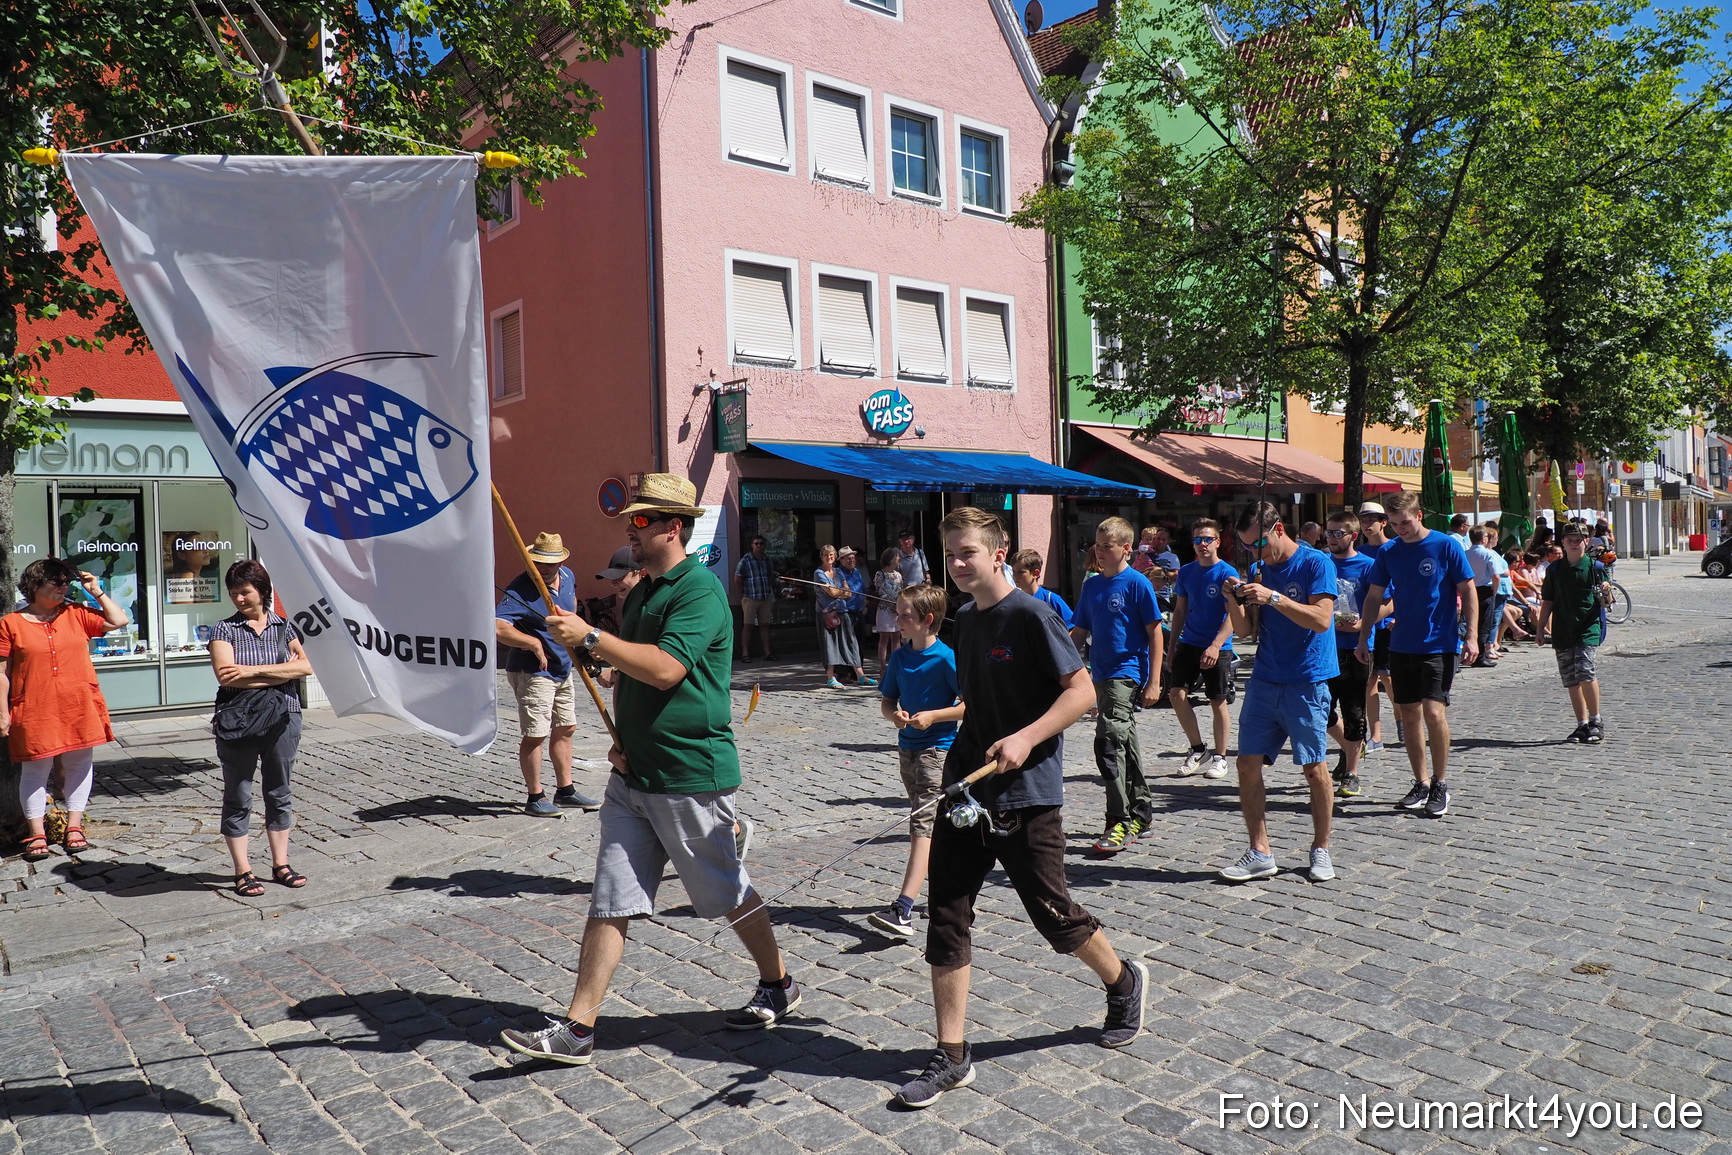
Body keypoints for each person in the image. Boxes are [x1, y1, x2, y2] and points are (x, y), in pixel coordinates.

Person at [500, 473, 799, 1065]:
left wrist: (590, 634)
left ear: (672, 527)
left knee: (726, 893)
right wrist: (595, 658)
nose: (629, 531)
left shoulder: (700, 592)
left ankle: (779, 982)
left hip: (691, 773)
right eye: (629, 521)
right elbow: (626, 673)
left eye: (640, 521)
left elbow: (665, 670)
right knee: (611, 898)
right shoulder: (640, 593)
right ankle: (578, 1027)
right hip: (632, 776)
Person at [895, 506, 1144, 1110]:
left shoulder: (1032, 616)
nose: (956, 565)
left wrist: (1029, 736)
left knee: (1055, 916)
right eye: (949, 554)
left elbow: (1082, 692)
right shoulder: (964, 621)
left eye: (967, 554)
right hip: (966, 790)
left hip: (1027, 796)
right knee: (947, 916)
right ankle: (951, 1055)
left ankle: (1122, 978)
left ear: (998, 553)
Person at [1216, 502, 1341, 884]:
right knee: (1245, 765)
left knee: (1313, 768)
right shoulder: (1257, 569)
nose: (1256, 554)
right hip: (1265, 680)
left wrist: (1273, 597)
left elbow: (1321, 620)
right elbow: (1246, 632)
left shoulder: (1317, 563)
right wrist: (1232, 599)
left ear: (1279, 529)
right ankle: (1260, 851)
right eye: (1248, 547)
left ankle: (1321, 849)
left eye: (1259, 544)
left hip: (1307, 680)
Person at [1354, 491, 1477, 819]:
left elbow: (1468, 589)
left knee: (1434, 713)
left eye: (1404, 522)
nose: (1399, 529)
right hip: (1401, 644)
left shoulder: (1445, 545)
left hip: (1439, 643)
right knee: (1408, 714)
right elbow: (1373, 597)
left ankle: (1440, 783)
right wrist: (1363, 637)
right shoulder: (1388, 552)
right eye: (1393, 524)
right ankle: (1420, 782)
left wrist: (1474, 637)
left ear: (1419, 515)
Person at [0, 558, 129, 862]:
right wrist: (2, 711)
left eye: (65, 581)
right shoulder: (10, 624)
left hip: (78, 703)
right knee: (34, 770)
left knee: (79, 765)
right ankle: (36, 833)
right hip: (34, 706)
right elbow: (2, 672)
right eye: (56, 581)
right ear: (34, 585)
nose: (63, 586)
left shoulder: (76, 614)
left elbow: (119, 620)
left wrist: (95, 591)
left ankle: (74, 826)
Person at [208, 559, 314, 895]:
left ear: (263, 592)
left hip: (284, 718)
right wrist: (283, 670)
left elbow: (307, 668)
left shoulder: (286, 627)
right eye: (234, 593)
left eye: (245, 592)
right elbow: (226, 675)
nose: (239, 599)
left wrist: (251, 672)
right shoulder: (223, 630)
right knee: (238, 794)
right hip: (238, 721)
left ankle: (280, 863)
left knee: (279, 791)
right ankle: (243, 870)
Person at [870, 584, 963, 937]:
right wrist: (894, 716)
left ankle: (903, 909)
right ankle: (951, 888)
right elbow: (886, 701)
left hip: (937, 752)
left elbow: (969, 705)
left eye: (904, 615)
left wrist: (935, 717)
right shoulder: (899, 657)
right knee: (933, 826)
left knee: (921, 826)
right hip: (906, 749)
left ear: (926, 620)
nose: (897, 620)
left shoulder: (946, 658)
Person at [1069, 516, 1163, 854]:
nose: (1100, 551)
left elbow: (1155, 632)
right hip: (1099, 674)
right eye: (1097, 545)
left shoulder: (1137, 583)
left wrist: (1154, 680)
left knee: (1108, 742)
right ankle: (1141, 811)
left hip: (1126, 673)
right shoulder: (1092, 585)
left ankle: (1118, 820)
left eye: (1107, 546)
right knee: (1125, 742)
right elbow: (1078, 632)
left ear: (1127, 549)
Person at [495, 532, 602, 817]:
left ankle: (565, 791)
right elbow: (498, 626)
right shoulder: (520, 589)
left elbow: (572, 607)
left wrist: (578, 641)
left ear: (561, 561)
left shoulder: (566, 576)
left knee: (566, 727)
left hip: (562, 665)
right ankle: (535, 797)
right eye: (537, 561)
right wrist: (533, 643)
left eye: (549, 562)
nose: (542, 567)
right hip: (533, 671)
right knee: (536, 734)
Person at [1166, 518, 1236, 780]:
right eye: (1197, 539)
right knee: (1176, 694)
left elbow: (1233, 616)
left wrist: (1216, 646)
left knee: (1217, 700)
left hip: (1218, 645)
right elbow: (1180, 610)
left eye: (1207, 539)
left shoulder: (1226, 573)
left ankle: (1220, 757)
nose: (1202, 544)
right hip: (1190, 642)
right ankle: (1198, 749)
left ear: (1217, 542)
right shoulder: (1186, 572)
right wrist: (1172, 647)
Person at [1539, 522, 1610, 743]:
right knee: (1570, 678)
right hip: (1562, 629)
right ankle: (1581, 724)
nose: (1574, 544)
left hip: (1587, 628)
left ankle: (1596, 721)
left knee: (1585, 671)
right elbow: (1548, 600)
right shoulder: (1554, 569)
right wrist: (1541, 628)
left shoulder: (1595, 567)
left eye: (1578, 540)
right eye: (1569, 540)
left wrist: (1607, 591)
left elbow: (1607, 603)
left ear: (1586, 542)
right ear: (1563, 542)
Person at [1324, 513, 1378, 798]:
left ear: (1353, 535)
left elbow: (1388, 603)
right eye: (1329, 533)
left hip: (1357, 648)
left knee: (1354, 710)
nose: (1332, 538)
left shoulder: (1368, 566)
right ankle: (1349, 746)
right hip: (1324, 648)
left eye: (1338, 533)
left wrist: (1363, 625)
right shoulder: (1321, 564)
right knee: (1320, 710)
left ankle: (1352, 773)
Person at [1356, 502, 1394, 754]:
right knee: (1369, 680)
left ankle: (1403, 718)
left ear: (1383, 522)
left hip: (1390, 624)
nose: (1367, 524)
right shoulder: (1358, 552)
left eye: (1372, 519)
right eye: (1363, 520)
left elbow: (1403, 589)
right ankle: (1376, 735)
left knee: (1388, 677)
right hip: (1363, 627)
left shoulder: (1394, 548)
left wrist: (1398, 616)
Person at [814, 544, 868, 689]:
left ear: (835, 557)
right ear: (822, 557)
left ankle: (860, 675)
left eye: (831, 555)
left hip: (841, 611)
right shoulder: (818, 573)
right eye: (826, 555)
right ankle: (831, 677)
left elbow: (848, 592)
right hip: (827, 614)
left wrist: (838, 592)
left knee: (851, 642)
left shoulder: (838, 572)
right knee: (830, 644)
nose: (829, 558)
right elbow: (832, 593)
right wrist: (840, 592)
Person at [594, 547, 646, 688]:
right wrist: (608, 653)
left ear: (641, 574)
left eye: (620, 577)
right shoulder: (632, 603)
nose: (613, 583)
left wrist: (616, 671)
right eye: (611, 578)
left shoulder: (648, 606)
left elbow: (651, 655)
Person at [733, 534, 777, 663]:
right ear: (752, 545)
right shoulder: (745, 560)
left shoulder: (767, 560)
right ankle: (745, 654)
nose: (759, 546)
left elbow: (770, 576)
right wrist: (745, 591)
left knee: (765, 625)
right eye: (756, 543)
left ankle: (767, 652)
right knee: (748, 625)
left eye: (761, 543)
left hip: (765, 596)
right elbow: (737, 579)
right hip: (750, 597)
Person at [1464, 526, 1501, 668]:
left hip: (1469, 589)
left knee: (1470, 621)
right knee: (1484, 623)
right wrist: (1495, 591)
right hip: (1485, 590)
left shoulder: (1465, 553)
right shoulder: (1488, 554)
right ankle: (1479, 656)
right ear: (1484, 538)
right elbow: (1496, 576)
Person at [1009, 549, 1073, 628]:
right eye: (1013, 571)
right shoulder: (1014, 601)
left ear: (1036, 573)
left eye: (1021, 572)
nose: (1015, 576)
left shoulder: (1051, 599)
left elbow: (1072, 628)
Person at [873, 548, 906, 671]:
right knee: (884, 638)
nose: (899, 559)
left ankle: (895, 664)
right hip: (884, 609)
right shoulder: (880, 574)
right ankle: (882, 666)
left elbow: (901, 591)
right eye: (897, 556)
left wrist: (899, 606)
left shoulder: (898, 575)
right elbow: (880, 591)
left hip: (897, 609)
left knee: (896, 637)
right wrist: (891, 605)